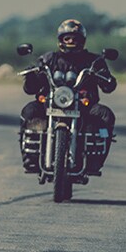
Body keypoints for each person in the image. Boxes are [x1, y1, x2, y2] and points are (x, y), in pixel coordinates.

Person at [19, 19, 117, 172]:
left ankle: (96, 161)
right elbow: (30, 89)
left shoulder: (94, 61)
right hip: (49, 104)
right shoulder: (48, 59)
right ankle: (29, 157)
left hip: (84, 106)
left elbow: (109, 87)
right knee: (28, 111)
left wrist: (105, 76)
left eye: (75, 38)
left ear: (82, 41)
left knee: (106, 115)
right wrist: (32, 75)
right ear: (60, 40)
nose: (71, 41)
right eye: (67, 38)